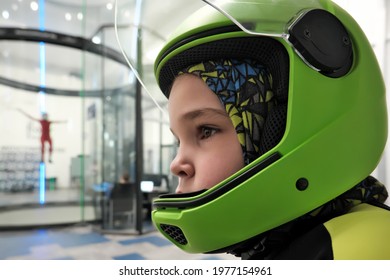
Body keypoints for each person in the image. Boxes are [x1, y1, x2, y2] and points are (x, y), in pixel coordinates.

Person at [148, 0, 390, 259]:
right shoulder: (273, 241)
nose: (176, 164)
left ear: (284, 126)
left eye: (205, 130)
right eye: (178, 141)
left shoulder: (364, 246)